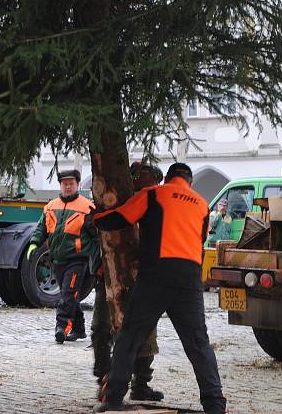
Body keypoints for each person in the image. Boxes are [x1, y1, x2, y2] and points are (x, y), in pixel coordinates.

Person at [91, 163, 226, 414]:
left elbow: (121, 217)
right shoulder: (201, 204)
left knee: (130, 335)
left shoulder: (154, 193)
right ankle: (215, 404)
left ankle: (113, 398)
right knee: (198, 343)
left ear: (168, 178)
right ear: (190, 182)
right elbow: (201, 237)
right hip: (189, 280)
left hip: (156, 275)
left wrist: (96, 218)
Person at [91, 163, 164, 402]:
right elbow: (96, 229)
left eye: (152, 182)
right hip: (110, 274)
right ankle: (104, 378)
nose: (150, 186)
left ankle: (140, 383)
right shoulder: (117, 200)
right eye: (145, 181)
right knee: (102, 328)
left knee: (146, 332)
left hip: (142, 276)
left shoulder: (157, 206)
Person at [27, 169, 100, 343]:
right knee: (71, 295)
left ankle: (62, 327)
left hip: (77, 259)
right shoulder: (51, 206)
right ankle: (79, 328)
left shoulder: (87, 207)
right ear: (60, 185)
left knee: (67, 294)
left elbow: (96, 235)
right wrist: (34, 243)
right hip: (57, 259)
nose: (68, 187)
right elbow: (41, 228)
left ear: (78, 185)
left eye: (71, 184)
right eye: (64, 184)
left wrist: (98, 259)